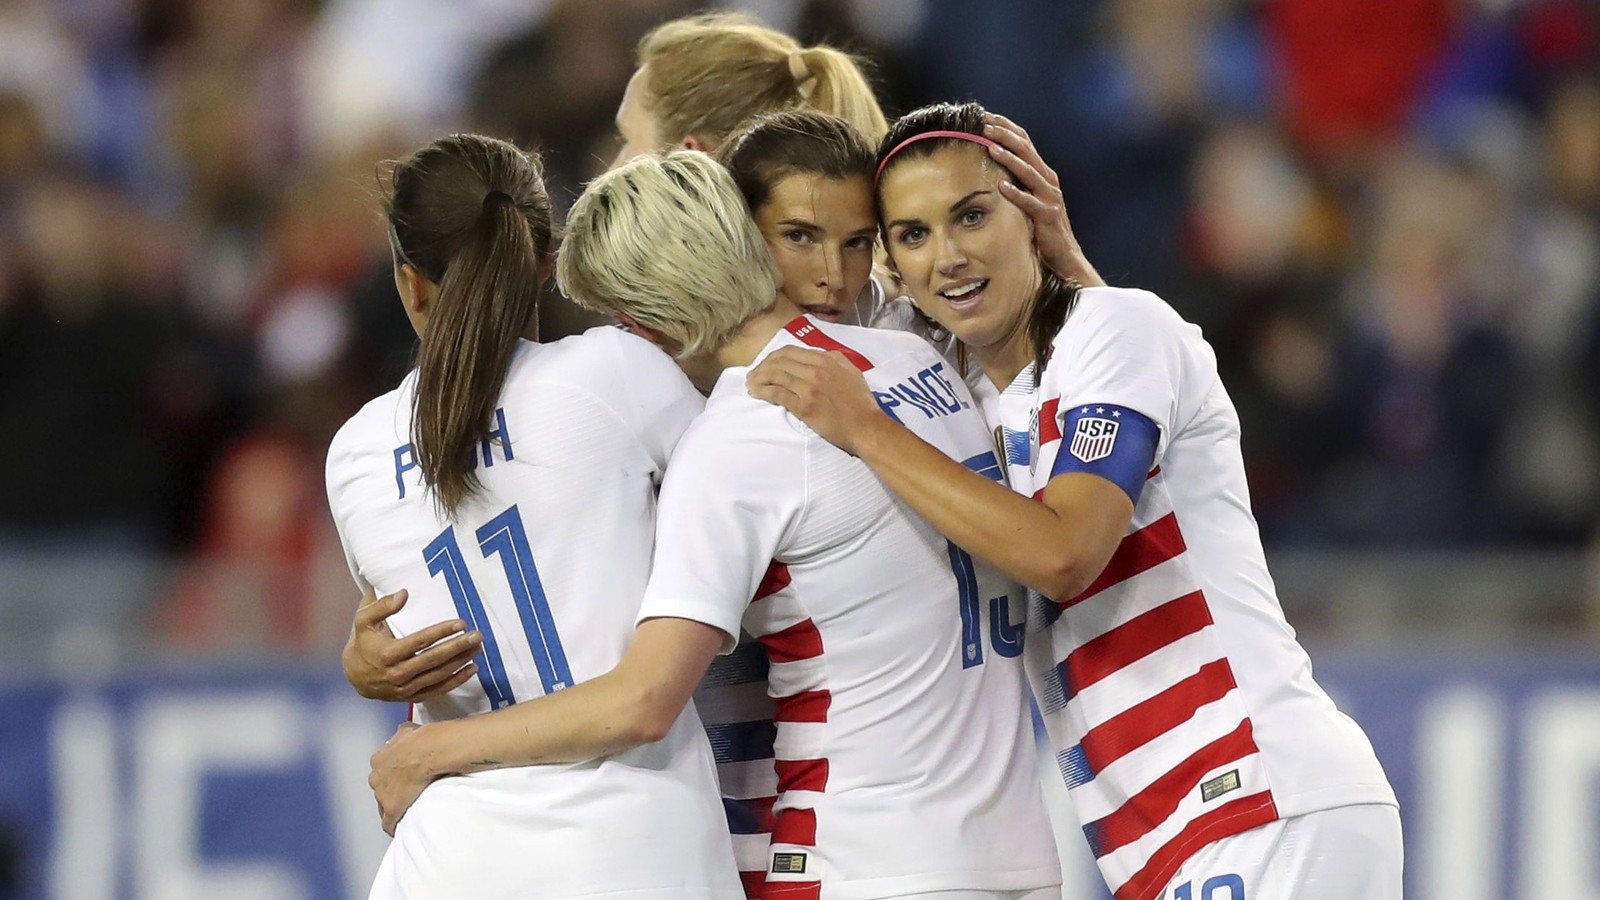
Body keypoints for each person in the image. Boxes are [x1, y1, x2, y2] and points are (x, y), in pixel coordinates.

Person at [367, 150, 1063, 900]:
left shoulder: (739, 442)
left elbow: (641, 700)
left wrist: (432, 747)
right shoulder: (912, 361)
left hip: (858, 859)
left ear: (642, 324)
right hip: (1017, 851)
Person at [748, 102, 1402, 900]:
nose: (948, 256)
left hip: (1254, 799)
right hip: (1159, 839)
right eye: (914, 235)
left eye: (973, 215)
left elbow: (1065, 555)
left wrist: (866, 430)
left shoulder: (1118, 328)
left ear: (1032, 211)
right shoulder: (961, 402)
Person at [324, 133, 738, 899]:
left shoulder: (353, 454)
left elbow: (416, 601)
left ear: (409, 284)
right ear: (545, 259)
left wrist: (360, 662)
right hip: (635, 851)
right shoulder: (619, 376)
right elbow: (751, 508)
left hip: (445, 859)